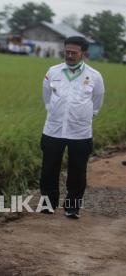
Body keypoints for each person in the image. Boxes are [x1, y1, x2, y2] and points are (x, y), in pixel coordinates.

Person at [40, 36, 105, 219]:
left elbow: (97, 101)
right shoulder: (53, 71)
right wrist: (53, 111)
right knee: (48, 169)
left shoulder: (94, 76)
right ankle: (48, 204)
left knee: (77, 171)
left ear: (83, 53)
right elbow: (46, 94)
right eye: (66, 52)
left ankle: (72, 207)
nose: (69, 55)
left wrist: (84, 116)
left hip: (80, 132)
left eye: (73, 52)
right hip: (53, 129)